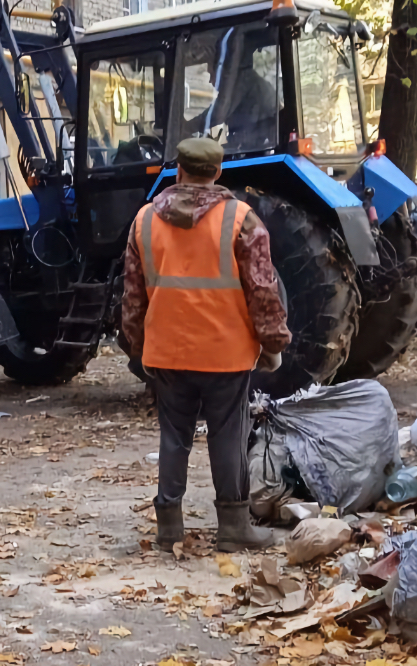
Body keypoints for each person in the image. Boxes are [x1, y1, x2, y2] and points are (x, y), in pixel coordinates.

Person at [121, 137, 292, 553]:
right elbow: (264, 292)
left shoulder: (144, 221)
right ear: (217, 173)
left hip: (168, 352)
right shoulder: (242, 220)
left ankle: (168, 528)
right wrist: (273, 343)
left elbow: (132, 298)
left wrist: (138, 348)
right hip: (225, 353)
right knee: (228, 435)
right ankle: (233, 528)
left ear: (178, 171)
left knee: (173, 437)